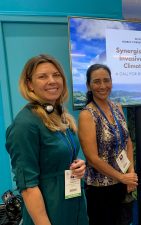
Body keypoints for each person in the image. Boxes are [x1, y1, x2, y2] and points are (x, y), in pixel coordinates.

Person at [5, 54, 89, 225]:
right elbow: (28, 186)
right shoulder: (25, 125)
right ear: (30, 84)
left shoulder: (59, 114)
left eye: (56, 75)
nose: (52, 81)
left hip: (73, 204)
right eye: (42, 76)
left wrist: (78, 165)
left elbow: (57, 156)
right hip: (49, 212)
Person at [78, 64, 138, 225]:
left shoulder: (117, 107)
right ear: (89, 85)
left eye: (106, 80)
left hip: (123, 182)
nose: (103, 86)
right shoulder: (87, 115)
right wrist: (122, 177)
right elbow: (92, 158)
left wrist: (130, 173)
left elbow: (128, 141)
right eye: (97, 81)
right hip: (100, 188)